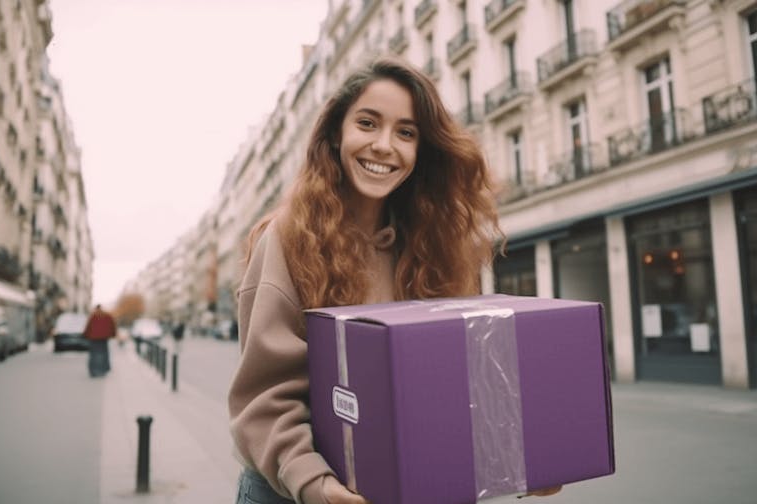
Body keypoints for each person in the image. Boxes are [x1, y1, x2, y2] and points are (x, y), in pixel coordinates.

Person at [228, 58, 555, 504]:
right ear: (336, 135)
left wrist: (511, 462)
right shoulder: (287, 238)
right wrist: (314, 483)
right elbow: (263, 397)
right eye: (367, 123)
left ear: (423, 151)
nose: (384, 145)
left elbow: (453, 388)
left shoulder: (436, 247)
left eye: (406, 132)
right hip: (293, 494)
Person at [83, 304, 116, 378]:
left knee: (94, 355)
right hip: (104, 338)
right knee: (103, 354)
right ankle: (103, 369)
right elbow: (112, 325)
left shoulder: (93, 316)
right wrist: (113, 334)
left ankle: (94, 370)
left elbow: (88, 327)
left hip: (94, 339)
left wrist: (85, 335)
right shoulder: (107, 316)